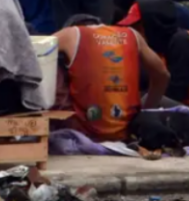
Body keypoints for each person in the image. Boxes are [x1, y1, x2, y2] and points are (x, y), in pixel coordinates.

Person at [54, 13, 169, 141]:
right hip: (128, 131)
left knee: (51, 66)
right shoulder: (132, 34)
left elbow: (37, 50)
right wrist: (147, 111)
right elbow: (163, 74)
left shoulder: (70, 34)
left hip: (86, 133)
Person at [119, 0, 189, 128]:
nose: (135, 33)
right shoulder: (160, 44)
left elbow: (174, 92)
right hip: (188, 110)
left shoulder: (182, 42)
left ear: (153, 24)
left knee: (142, 100)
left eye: (137, 27)